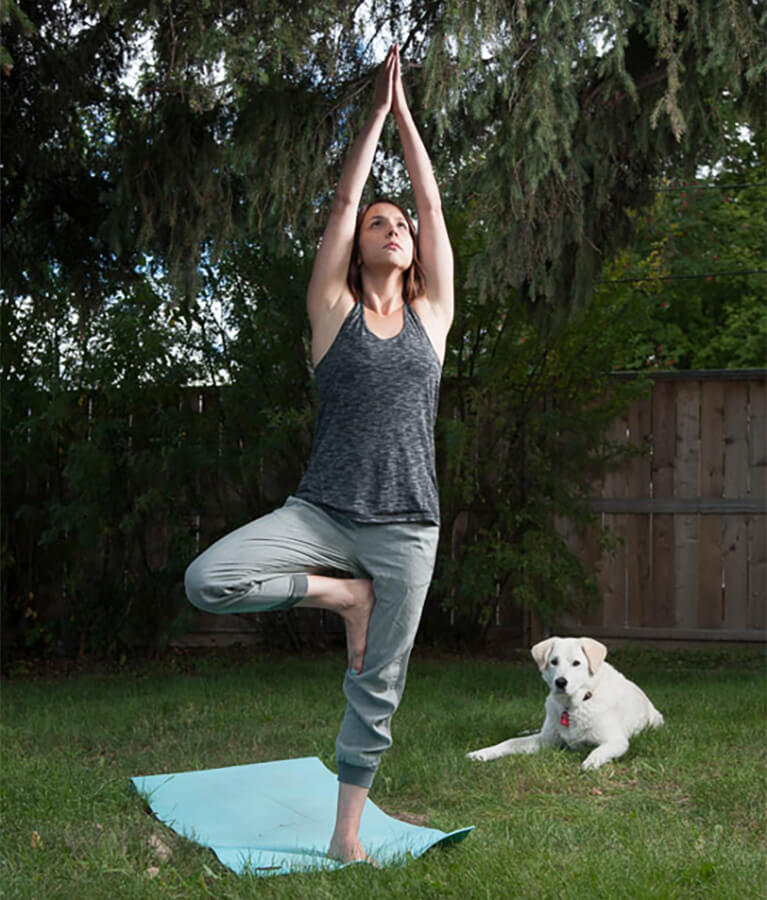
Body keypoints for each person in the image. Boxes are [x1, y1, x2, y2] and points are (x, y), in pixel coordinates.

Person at [184, 44, 453, 864]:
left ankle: (346, 839)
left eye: (399, 223)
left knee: (377, 688)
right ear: (357, 243)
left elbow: (436, 209)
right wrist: (375, 116)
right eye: (381, 222)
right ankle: (344, 599)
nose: (395, 228)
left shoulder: (430, 317)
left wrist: (412, 122)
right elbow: (341, 201)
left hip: (406, 527)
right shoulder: (331, 310)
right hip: (322, 514)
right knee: (209, 580)